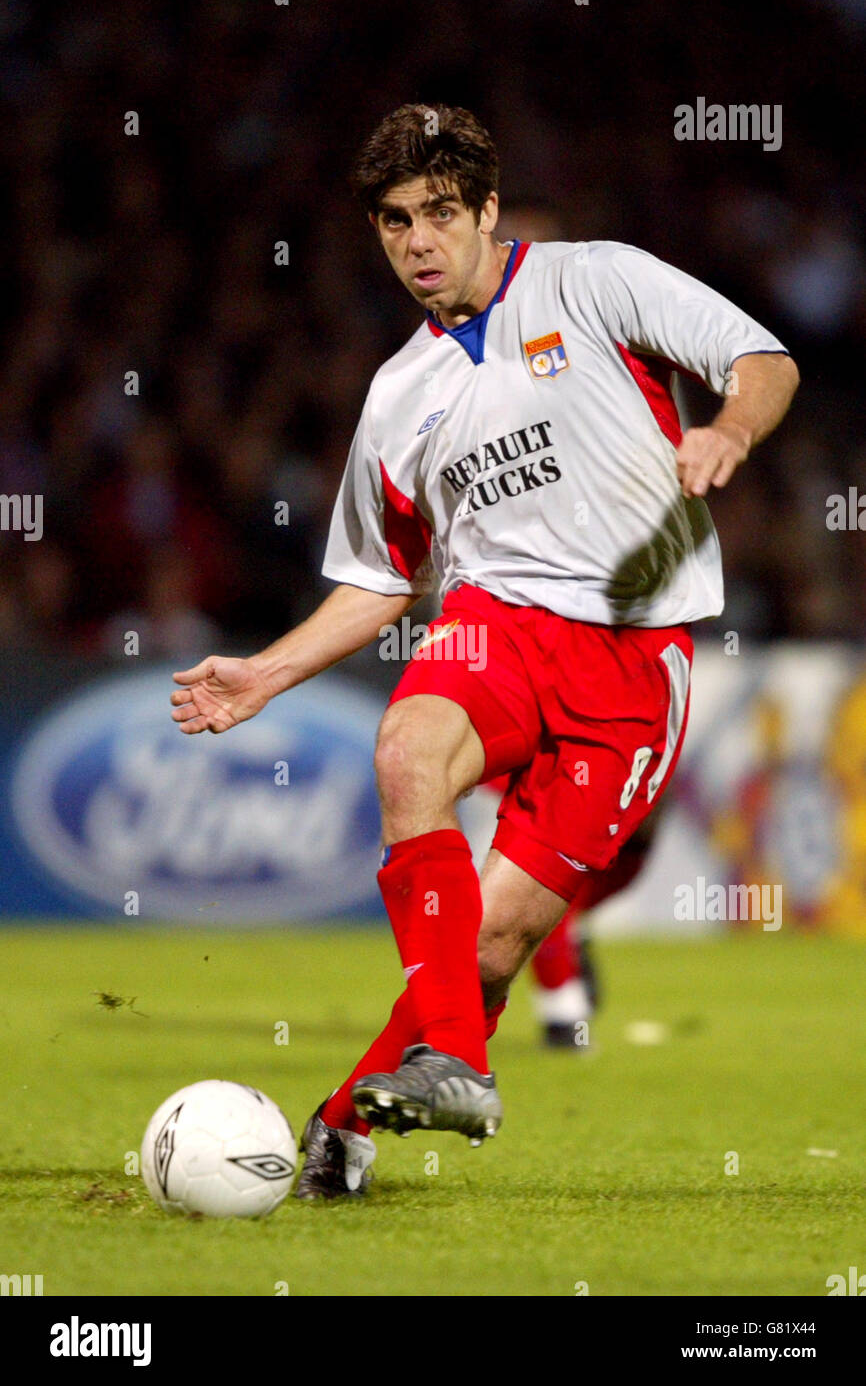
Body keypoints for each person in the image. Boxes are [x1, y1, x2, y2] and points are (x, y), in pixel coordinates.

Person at [170, 104, 799, 1200]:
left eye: (440, 214)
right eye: (395, 220)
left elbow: (760, 357)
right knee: (408, 745)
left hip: (631, 662)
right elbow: (378, 577)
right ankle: (459, 1061)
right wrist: (263, 673)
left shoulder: (592, 280)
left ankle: (339, 1126)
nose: (418, 241)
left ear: (488, 211)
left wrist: (728, 429)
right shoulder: (394, 398)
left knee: (495, 942)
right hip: (494, 625)